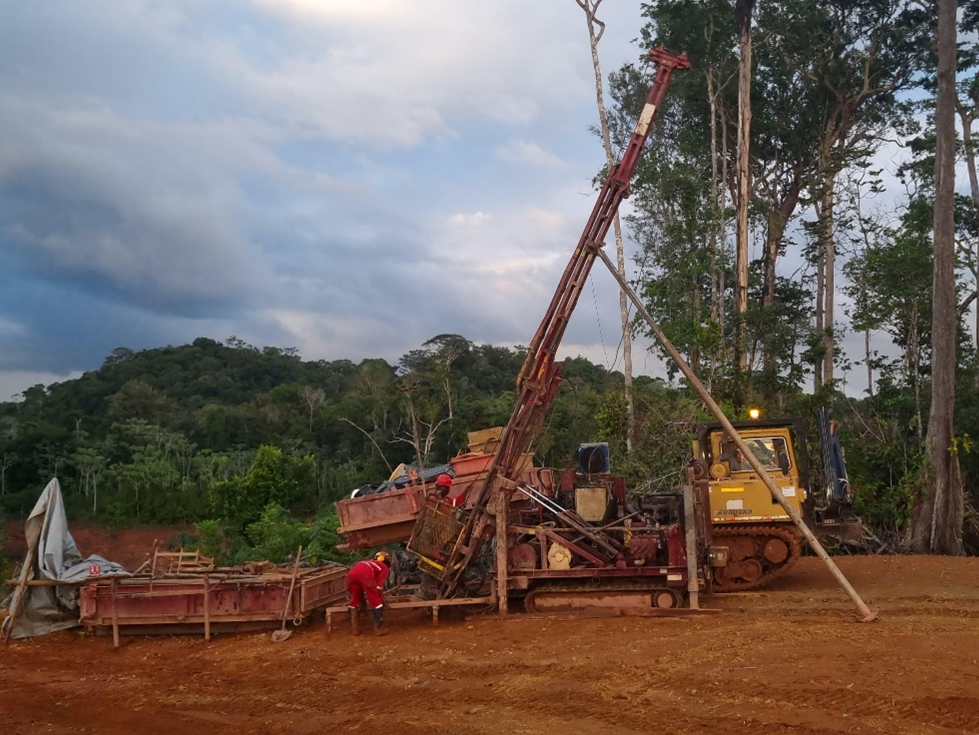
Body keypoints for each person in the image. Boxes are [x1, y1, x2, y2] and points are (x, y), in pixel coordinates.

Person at [346, 550, 392, 636]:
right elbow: (379, 587)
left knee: (354, 600)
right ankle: (378, 629)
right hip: (366, 574)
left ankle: (355, 630)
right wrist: (381, 601)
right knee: (376, 602)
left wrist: (363, 602)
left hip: (351, 574)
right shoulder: (384, 567)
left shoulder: (368, 562)